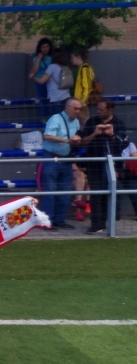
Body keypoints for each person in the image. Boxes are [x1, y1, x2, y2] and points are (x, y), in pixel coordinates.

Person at [80, 100, 128, 235]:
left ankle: (108, 221)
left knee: (109, 193)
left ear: (110, 110)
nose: (98, 111)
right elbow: (83, 142)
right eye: (98, 108)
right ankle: (96, 224)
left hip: (112, 165)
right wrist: (95, 133)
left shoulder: (119, 124)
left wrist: (112, 134)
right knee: (95, 193)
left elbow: (123, 145)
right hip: (94, 164)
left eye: (101, 109)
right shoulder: (91, 122)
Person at [39, 98, 82, 230]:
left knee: (64, 192)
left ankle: (59, 220)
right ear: (67, 107)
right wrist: (68, 141)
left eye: (79, 109)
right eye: (75, 108)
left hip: (66, 159)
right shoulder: (55, 118)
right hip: (52, 158)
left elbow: (75, 137)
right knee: (50, 192)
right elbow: (47, 136)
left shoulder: (76, 122)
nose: (78, 111)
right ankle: (47, 221)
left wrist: (77, 140)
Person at [31, 49, 70, 118]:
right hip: (66, 97)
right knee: (66, 119)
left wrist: (33, 77)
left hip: (55, 98)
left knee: (56, 119)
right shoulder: (65, 67)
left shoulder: (52, 67)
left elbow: (42, 81)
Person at [29, 37, 53, 102]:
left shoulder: (52, 57)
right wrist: (38, 58)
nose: (45, 49)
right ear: (40, 48)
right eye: (43, 47)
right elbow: (34, 71)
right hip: (40, 82)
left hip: (51, 82)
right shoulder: (36, 58)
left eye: (47, 46)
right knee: (43, 101)